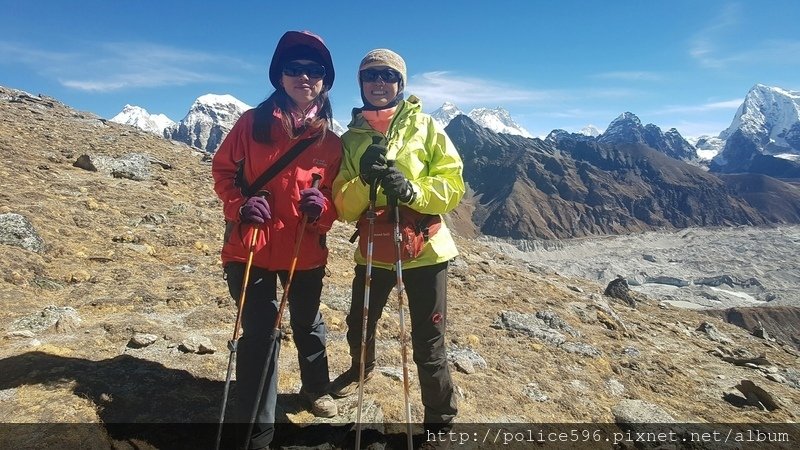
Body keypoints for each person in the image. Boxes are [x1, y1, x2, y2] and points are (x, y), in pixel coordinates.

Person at [212, 30, 341, 450]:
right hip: (250, 249)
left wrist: (323, 212)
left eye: (313, 70)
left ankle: (316, 387)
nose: (304, 76)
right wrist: (239, 205)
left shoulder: (333, 143)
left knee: (306, 321)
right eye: (294, 68)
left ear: (325, 79)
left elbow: (338, 202)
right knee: (261, 335)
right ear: (279, 77)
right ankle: (257, 435)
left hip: (305, 252)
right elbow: (223, 172)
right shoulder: (251, 123)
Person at [331, 48, 465, 446]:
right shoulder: (350, 139)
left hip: (426, 251)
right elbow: (341, 205)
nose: (379, 83)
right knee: (360, 323)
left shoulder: (427, 129)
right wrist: (363, 183)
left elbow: (453, 186)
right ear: (361, 83)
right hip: (375, 250)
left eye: (388, 76)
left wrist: (412, 191)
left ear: (400, 84)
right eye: (371, 75)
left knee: (428, 340)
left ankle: (440, 416)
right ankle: (361, 367)